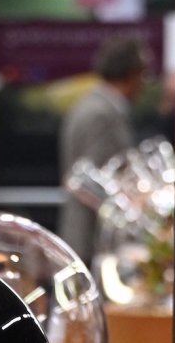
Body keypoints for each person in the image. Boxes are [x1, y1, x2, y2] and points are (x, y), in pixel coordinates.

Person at [58, 36, 148, 262]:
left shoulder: (95, 106)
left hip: (91, 239)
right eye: (143, 74)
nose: (145, 83)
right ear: (131, 73)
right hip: (92, 241)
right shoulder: (102, 114)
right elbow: (94, 182)